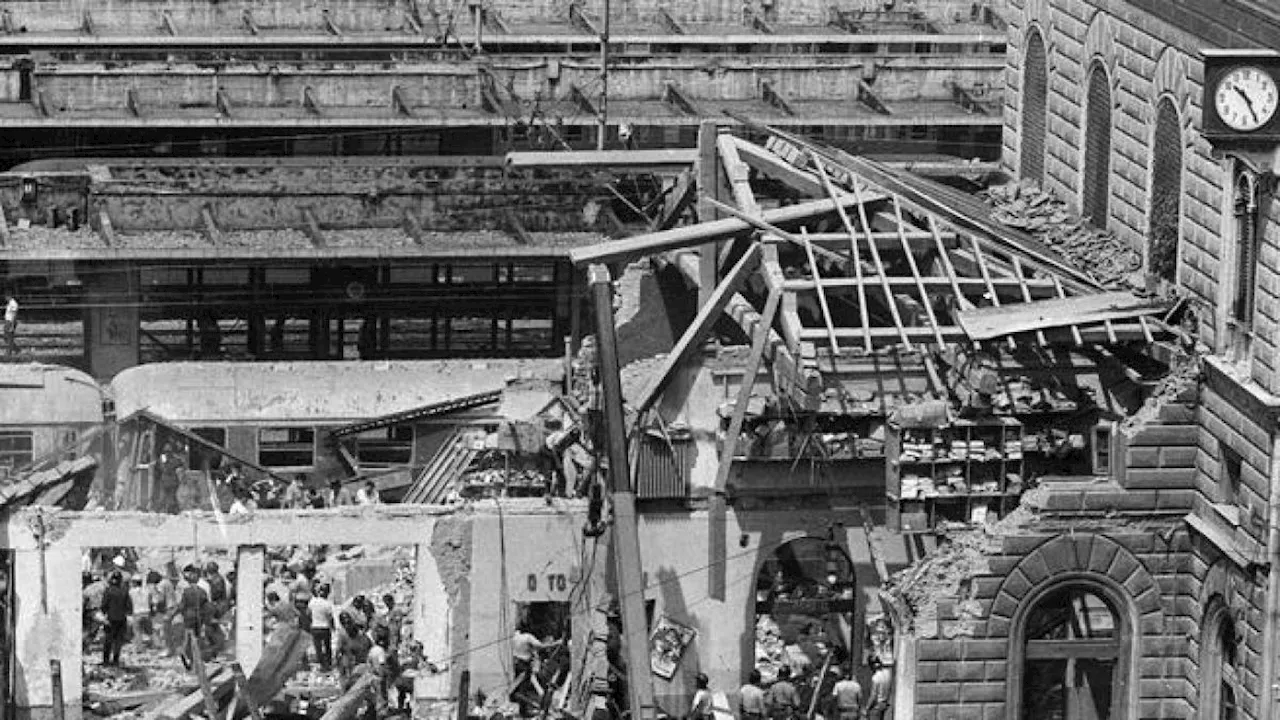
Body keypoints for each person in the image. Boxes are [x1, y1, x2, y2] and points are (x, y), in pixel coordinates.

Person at [175, 564, 211, 669]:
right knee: (197, 637)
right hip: (199, 617)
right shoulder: (202, 591)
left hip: (188, 617)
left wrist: (178, 613)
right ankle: (196, 658)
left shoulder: (186, 591)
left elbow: (182, 606)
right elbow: (206, 605)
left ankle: (187, 655)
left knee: (188, 637)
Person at [100, 571, 133, 667]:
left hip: (110, 619)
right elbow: (129, 607)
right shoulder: (124, 591)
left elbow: (104, 605)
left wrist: (104, 613)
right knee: (118, 641)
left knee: (108, 640)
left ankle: (106, 661)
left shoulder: (108, 591)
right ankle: (115, 660)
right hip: (121, 619)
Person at [308, 584, 336, 671]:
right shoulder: (327, 604)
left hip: (315, 627)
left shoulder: (313, 602)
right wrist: (333, 627)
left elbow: (308, 613)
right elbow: (330, 618)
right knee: (327, 646)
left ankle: (322, 664)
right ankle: (328, 664)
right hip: (325, 627)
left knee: (318, 647)